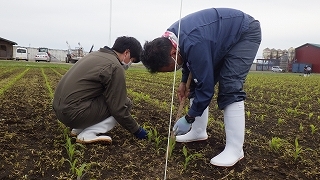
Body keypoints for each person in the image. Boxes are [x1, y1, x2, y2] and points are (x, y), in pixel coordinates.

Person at [141, 8, 261, 167]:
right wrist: (184, 81)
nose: (174, 70)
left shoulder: (194, 41)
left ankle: (235, 149)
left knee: (230, 86)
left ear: (173, 52)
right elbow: (187, 60)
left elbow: (206, 88)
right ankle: (198, 132)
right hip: (218, 39)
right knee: (194, 83)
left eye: (171, 68)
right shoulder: (170, 38)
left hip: (244, 33)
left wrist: (189, 117)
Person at [53, 36, 147, 144]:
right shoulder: (115, 66)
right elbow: (119, 108)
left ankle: (79, 129)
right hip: (73, 114)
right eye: (132, 60)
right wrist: (137, 131)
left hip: (59, 110)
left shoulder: (95, 55)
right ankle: (88, 134)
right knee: (126, 103)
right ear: (126, 53)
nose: (130, 63)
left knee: (105, 96)